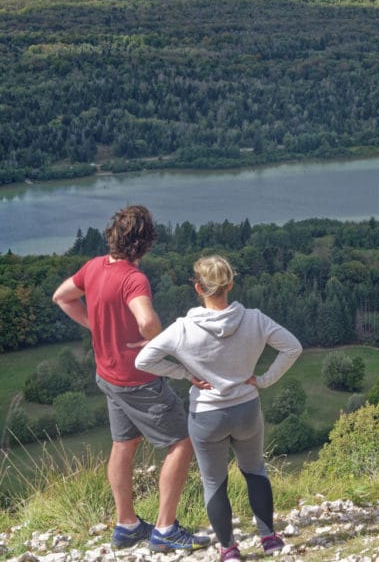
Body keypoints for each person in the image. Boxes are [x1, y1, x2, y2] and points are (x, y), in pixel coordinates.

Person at [51, 205, 211, 552]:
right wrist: (157, 339)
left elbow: (62, 297)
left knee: (124, 445)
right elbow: (146, 320)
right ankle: (166, 530)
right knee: (181, 443)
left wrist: (97, 325)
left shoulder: (93, 266)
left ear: (113, 235)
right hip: (138, 380)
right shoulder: (132, 278)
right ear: (145, 243)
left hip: (108, 374)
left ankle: (127, 525)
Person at [136, 255, 302, 562]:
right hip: (247, 410)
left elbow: (143, 361)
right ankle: (269, 538)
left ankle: (229, 550)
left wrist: (186, 374)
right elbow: (293, 347)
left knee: (214, 482)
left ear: (198, 287)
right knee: (255, 471)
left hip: (207, 415)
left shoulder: (183, 329)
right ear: (230, 284)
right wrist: (264, 380)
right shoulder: (254, 318)